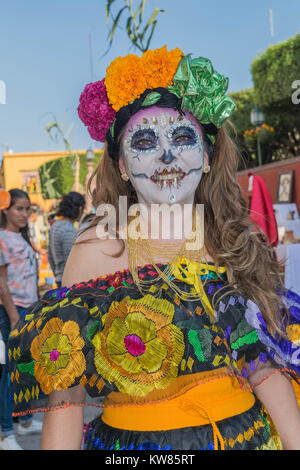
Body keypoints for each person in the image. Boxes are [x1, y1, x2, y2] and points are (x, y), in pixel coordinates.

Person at [7, 47, 300, 451]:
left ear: (208, 155)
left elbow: (263, 369)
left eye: (182, 138)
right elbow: (66, 399)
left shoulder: (230, 240)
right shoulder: (98, 249)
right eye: (145, 141)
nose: (167, 156)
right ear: (123, 165)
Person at [0, 189, 43, 450]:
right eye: (19, 208)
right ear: (5, 209)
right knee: (9, 373)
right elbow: (1, 282)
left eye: (28, 209)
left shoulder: (21, 237)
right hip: (12, 310)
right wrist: (15, 316)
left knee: (25, 367)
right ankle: (5, 433)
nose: (25, 213)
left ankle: (25, 420)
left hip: (28, 308)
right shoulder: (2, 238)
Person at [47, 191, 85, 288]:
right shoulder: (68, 229)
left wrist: (57, 274)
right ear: (80, 209)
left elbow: (50, 256)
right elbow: (72, 260)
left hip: (60, 278)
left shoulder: (55, 226)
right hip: (69, 281)